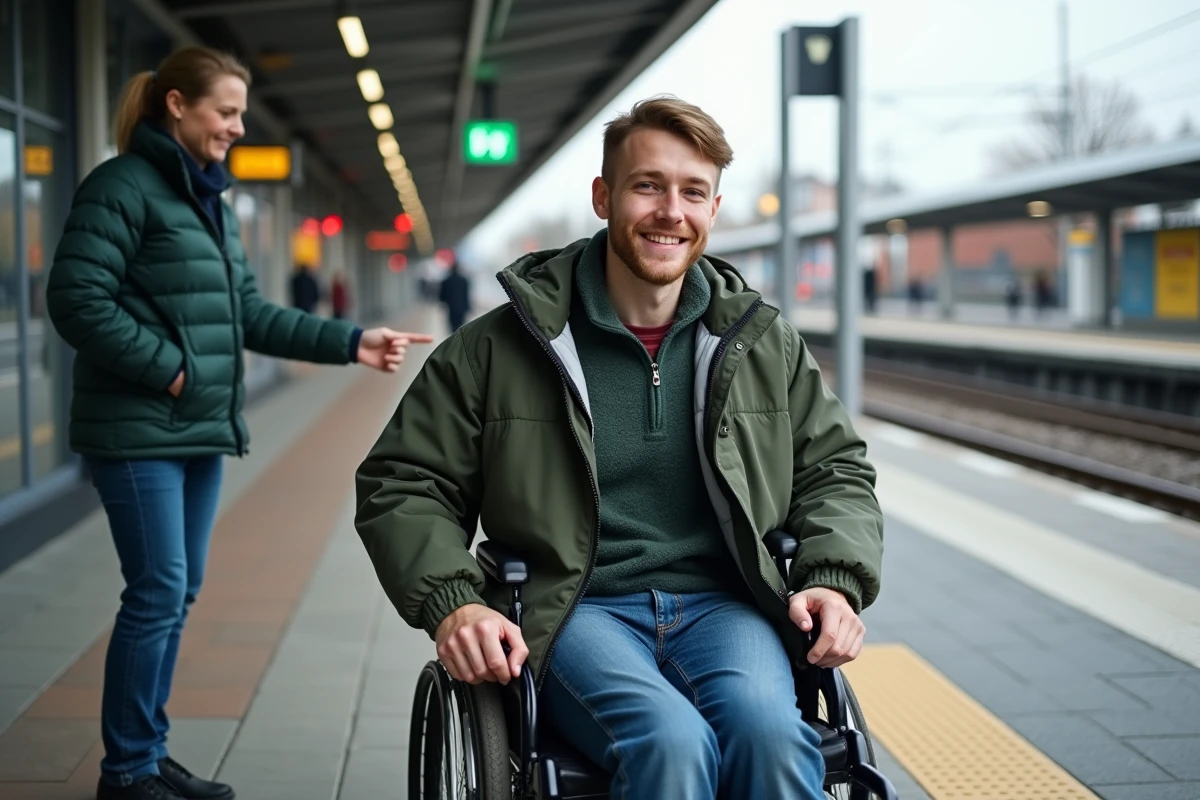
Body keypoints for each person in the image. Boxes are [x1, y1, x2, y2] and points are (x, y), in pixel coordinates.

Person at [355, 97, 883, 800]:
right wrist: (456, 603)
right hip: (577, 612)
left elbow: (835, 469)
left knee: (774, 738)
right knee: (669, 744)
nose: (671, 210)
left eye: (692, 191)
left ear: (714, 209)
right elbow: (404, 481)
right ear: (604, 197)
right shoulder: (500, 348)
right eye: (648, 185)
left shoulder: (761, 343)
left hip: (725, 607)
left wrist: (832, 578)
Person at [44, 46, 433, 800]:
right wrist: (171, 367)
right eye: (226, 111)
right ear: (177, 107)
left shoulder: (208, 201)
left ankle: (148, 754)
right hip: (138, 429)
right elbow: (75, 299)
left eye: (241, 113)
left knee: (176, 594)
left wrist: (352, 341)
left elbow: (247, 315)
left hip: (193, 431)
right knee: (156, 592)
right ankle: (125, 772)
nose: (237, 127)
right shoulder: (121, 187)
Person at [437, 259, 471, 333]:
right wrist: (468, 307)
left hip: (451, 308)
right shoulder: (464, 280)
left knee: (453, 327)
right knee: (461, 327)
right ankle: (460, 342)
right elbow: (466, 295)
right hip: (462, 308)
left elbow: (442, 296)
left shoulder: (446, 281)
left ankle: (454, 341)